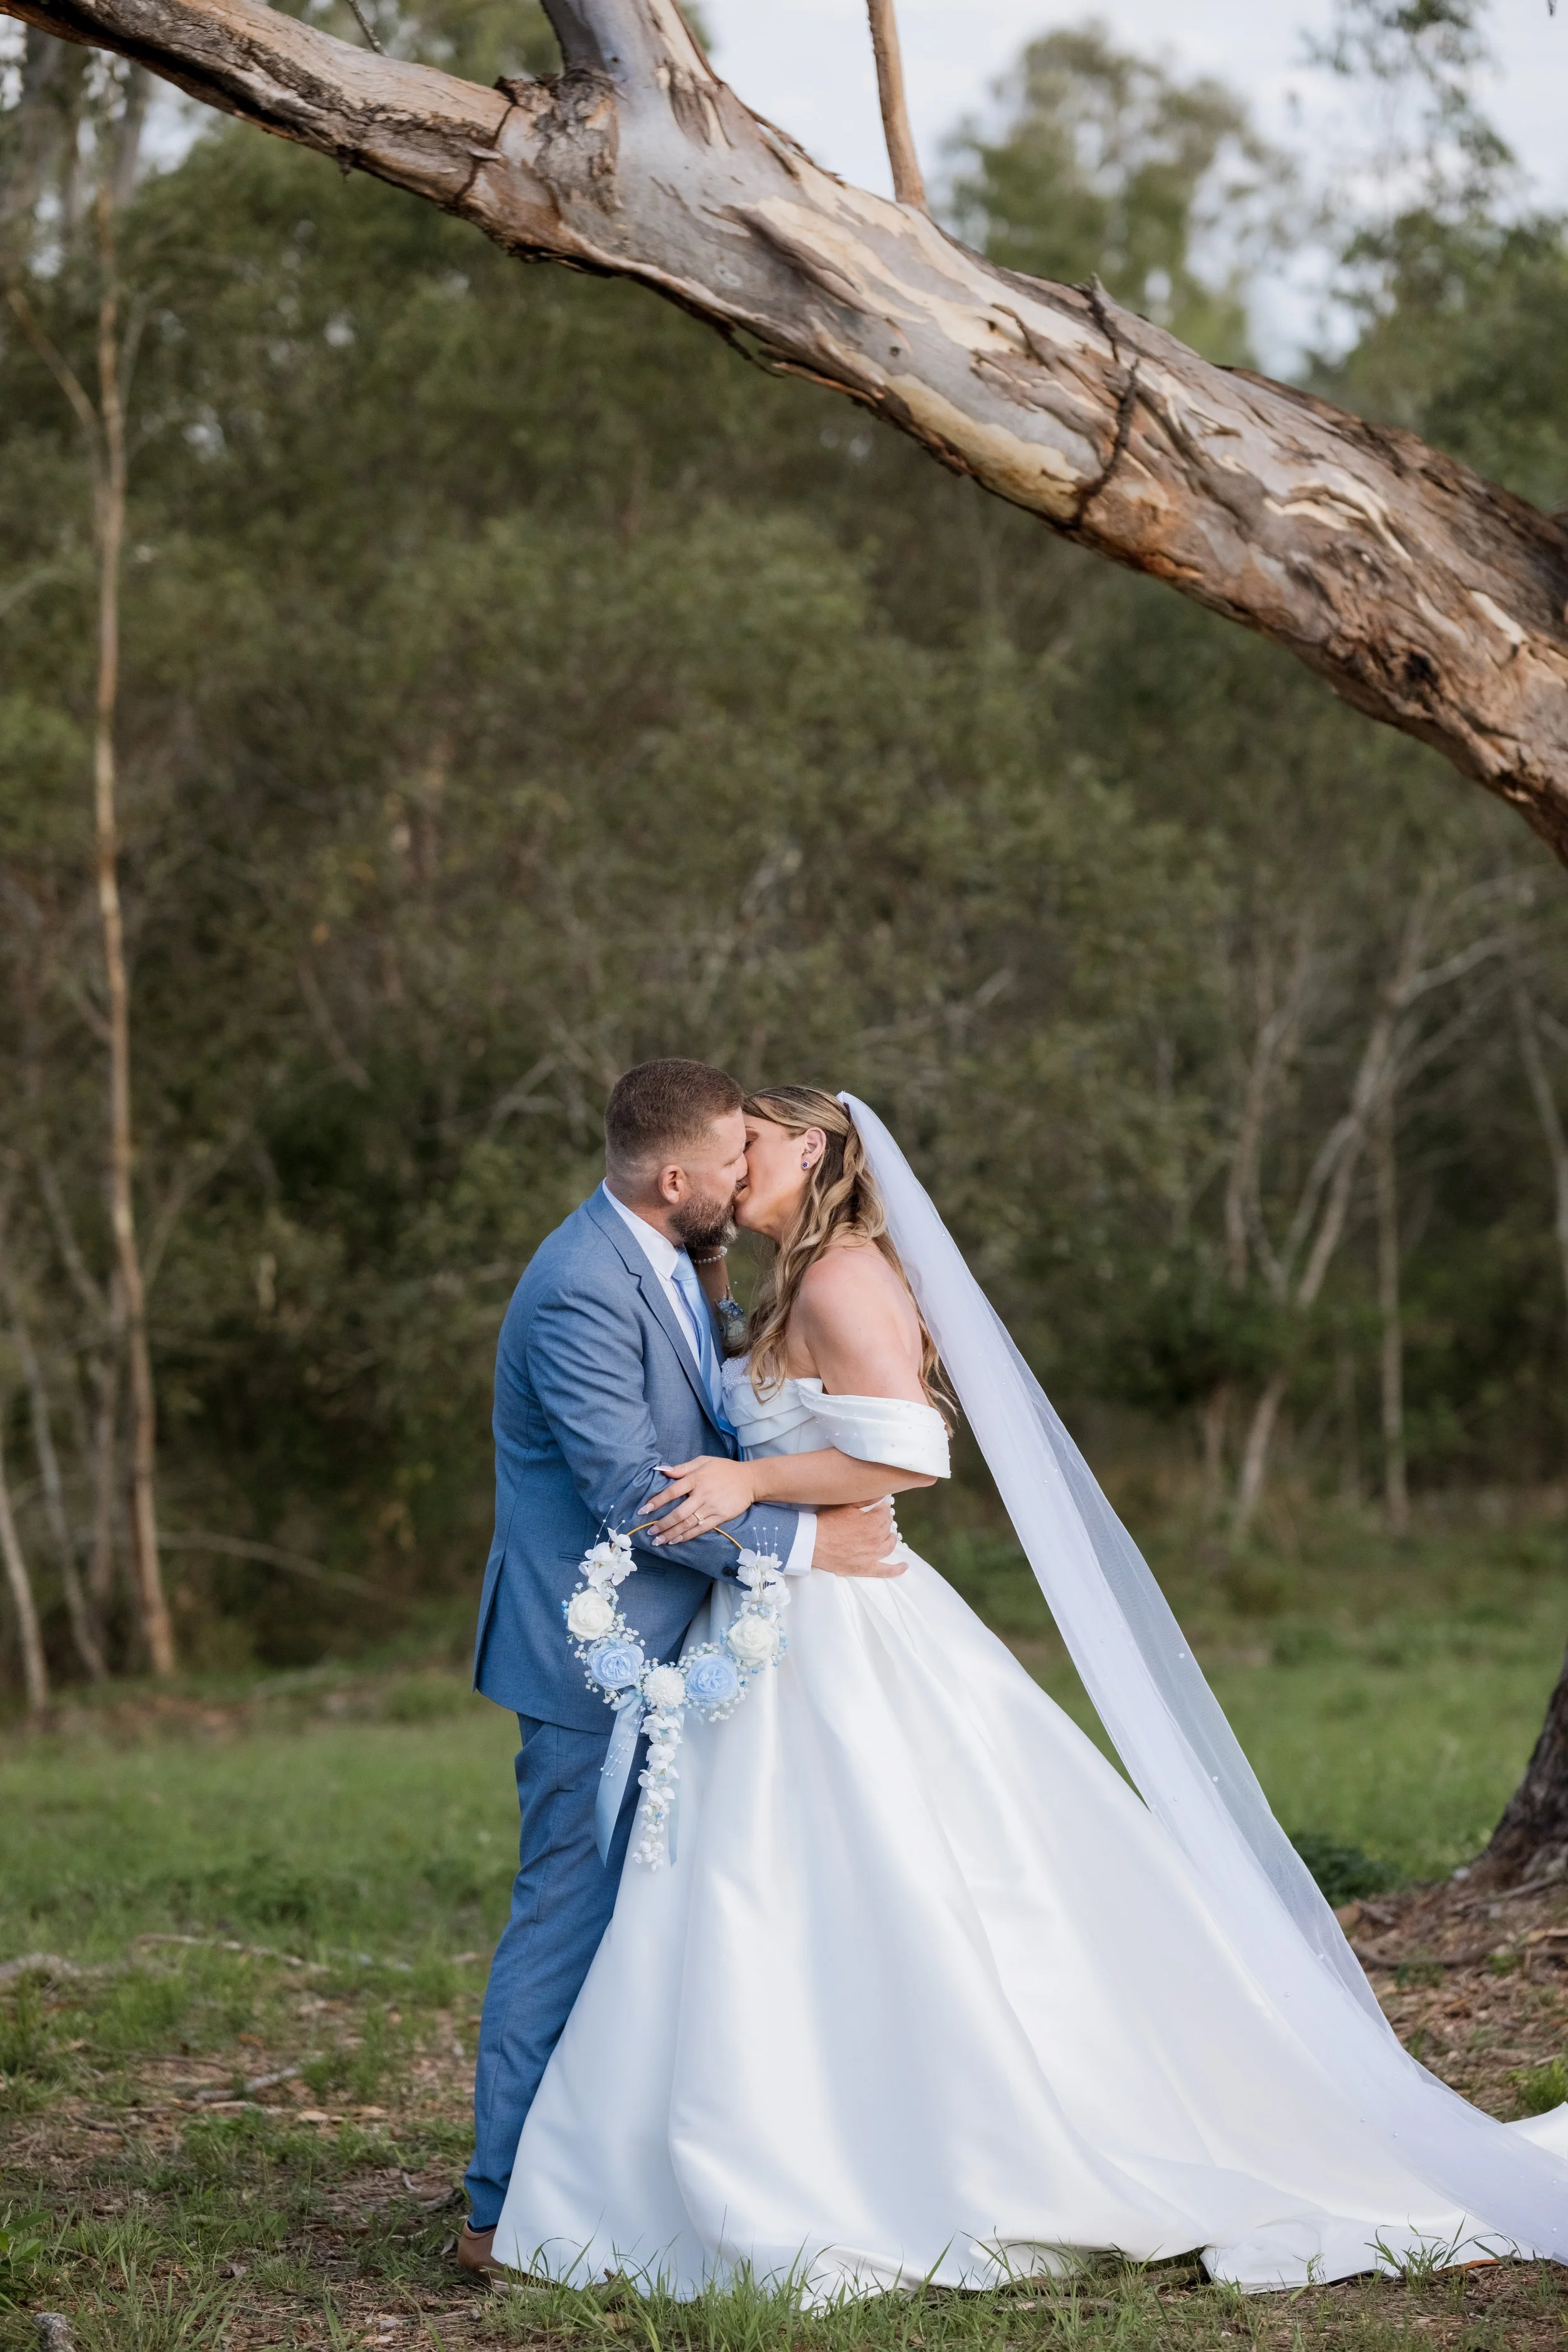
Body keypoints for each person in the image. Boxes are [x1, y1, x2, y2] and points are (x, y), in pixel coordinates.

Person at [488, 1084, 1568, 2297]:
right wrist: (777, 1498)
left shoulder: (843, 1275)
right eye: (724, 1150)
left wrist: (757, 1491)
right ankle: (689, 2147)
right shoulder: (774, 1276)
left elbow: (914, 1450)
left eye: (755, 1142)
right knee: (754, 1886)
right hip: (778, 1615)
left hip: (838, 1619)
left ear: (812, 1146)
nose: (736, 1167)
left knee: (869, 1873)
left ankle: (899, 2149)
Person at [459, 1061, 910, 2276]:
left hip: (695, 1647)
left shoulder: (667, 1257)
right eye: (730, 1163)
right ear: (675, 1181)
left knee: (666, 1932)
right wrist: (811, 1542)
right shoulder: (574, 1292)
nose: (746, 1175)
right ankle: (496, 2209)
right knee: (567, 1916)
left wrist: (717, 1284)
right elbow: (628, 1491)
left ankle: (618, 2176)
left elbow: (713, 1400)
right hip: (592, 1658)